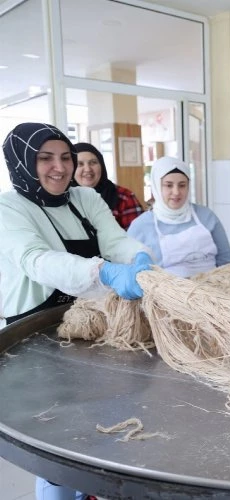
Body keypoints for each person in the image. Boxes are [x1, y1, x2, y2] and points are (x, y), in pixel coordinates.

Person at [0, 122, 154, 500]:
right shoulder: (9, 208)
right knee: (56, 444)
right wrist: (105, 273)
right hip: (35, 336)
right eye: (45, 158)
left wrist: (138, 257)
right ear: (22, 163)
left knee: (100, 423)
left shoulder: (84, 198)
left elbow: (114, 240)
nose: (60, 167)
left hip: (92, 329)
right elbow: (38, 261)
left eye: (66, 157)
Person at [127, 156, 230, 278]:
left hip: (213, 286)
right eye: (169, 185)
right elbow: (131, 273)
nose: (176, 192)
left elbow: (227, 262)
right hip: (166, 289)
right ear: (157, 186)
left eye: (182, 185)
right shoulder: (141, 226)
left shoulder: (206, 216)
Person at [73, 142, 144, 230]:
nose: (87, 169)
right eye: (79, 164)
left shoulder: (124, 197)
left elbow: (139, 235)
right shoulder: (64, 199)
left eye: (93, 162)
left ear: (102, 165)